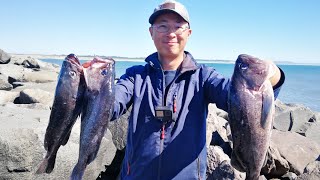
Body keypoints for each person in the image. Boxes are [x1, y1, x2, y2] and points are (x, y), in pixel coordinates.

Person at [111, 0, 285, 179]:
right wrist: (92, 87)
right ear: (151, 32)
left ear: (188, 33)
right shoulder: (135, 76)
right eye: (163, 26)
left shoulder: (204, 77)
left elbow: (237, 98)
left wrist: (274, 75)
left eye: (178, 27)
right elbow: (110, 106)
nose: (171, 33)